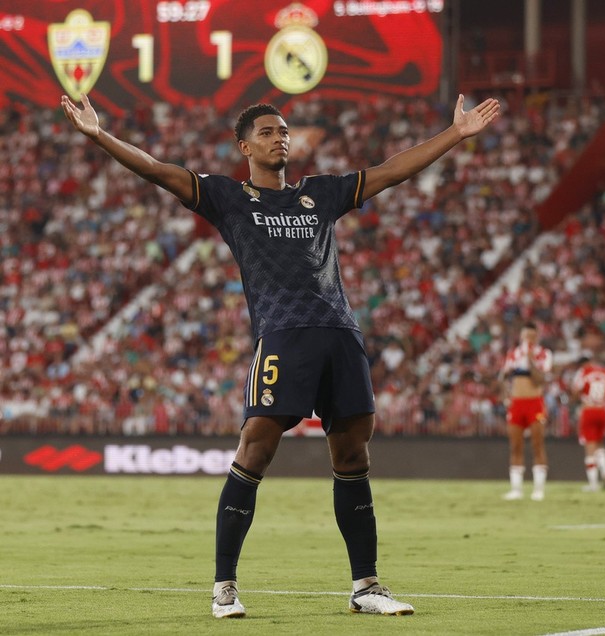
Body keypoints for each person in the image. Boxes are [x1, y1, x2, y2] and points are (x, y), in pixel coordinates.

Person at [61, 92, 501, 618]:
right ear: (244, 146)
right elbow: (158, 170)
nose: (279, 138)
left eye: (284, 131)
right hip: (282, 336)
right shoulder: (226, 197)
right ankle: (225, 587)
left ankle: (367, 587)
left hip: (340, 334)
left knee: (353, 457)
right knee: (255, 451)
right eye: (268, 132)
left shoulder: (321, 194)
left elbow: (391, 171)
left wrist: (455, 134)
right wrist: (99, 135)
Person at [497, 322, 553, 501]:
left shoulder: (544, 354)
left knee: (537, 444)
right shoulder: (513, 354)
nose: (527, 340)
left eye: (531, 336)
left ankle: (538, 489)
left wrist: (529, 359)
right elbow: (503, 378)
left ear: (537, 337)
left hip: (534, 402)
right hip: (516, 403)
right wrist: (506, 394)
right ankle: (516, 489)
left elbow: (540, 380)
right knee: (515, 445)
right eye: (524, 336)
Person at [572, 351, 605, 491]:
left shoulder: (583, 372)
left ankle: (593, 484)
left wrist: (579, 398)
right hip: (603, 410)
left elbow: (575, 391)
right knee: (599, 443)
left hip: (589, 409)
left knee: (589, 447)